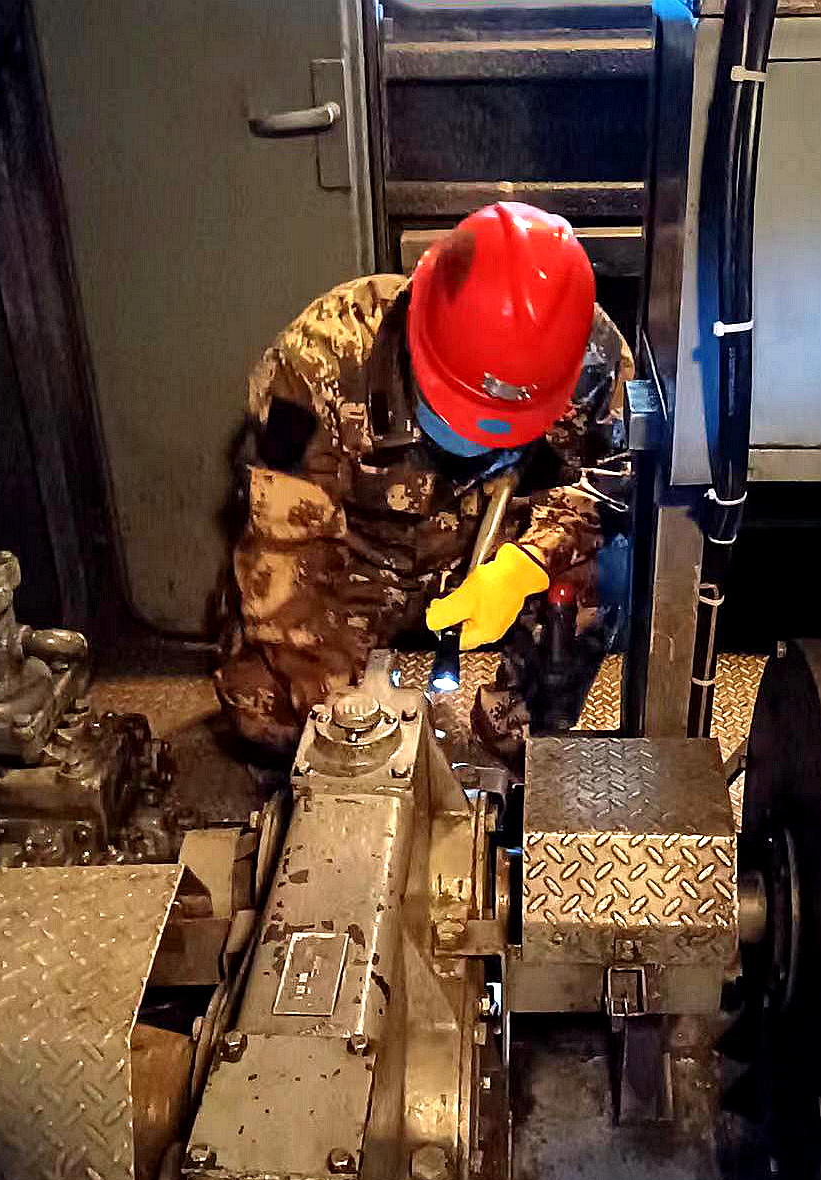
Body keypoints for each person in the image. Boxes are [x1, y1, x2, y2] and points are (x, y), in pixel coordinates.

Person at [216, 202, 633, 761]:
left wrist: (530, 561)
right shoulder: (317, 360)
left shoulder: (583, 351)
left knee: (599, 577)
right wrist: (346, 736)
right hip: (358, 556)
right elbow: (285, 553)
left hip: (495, 541)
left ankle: (514, 734)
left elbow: (617, 485)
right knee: (263, 708)